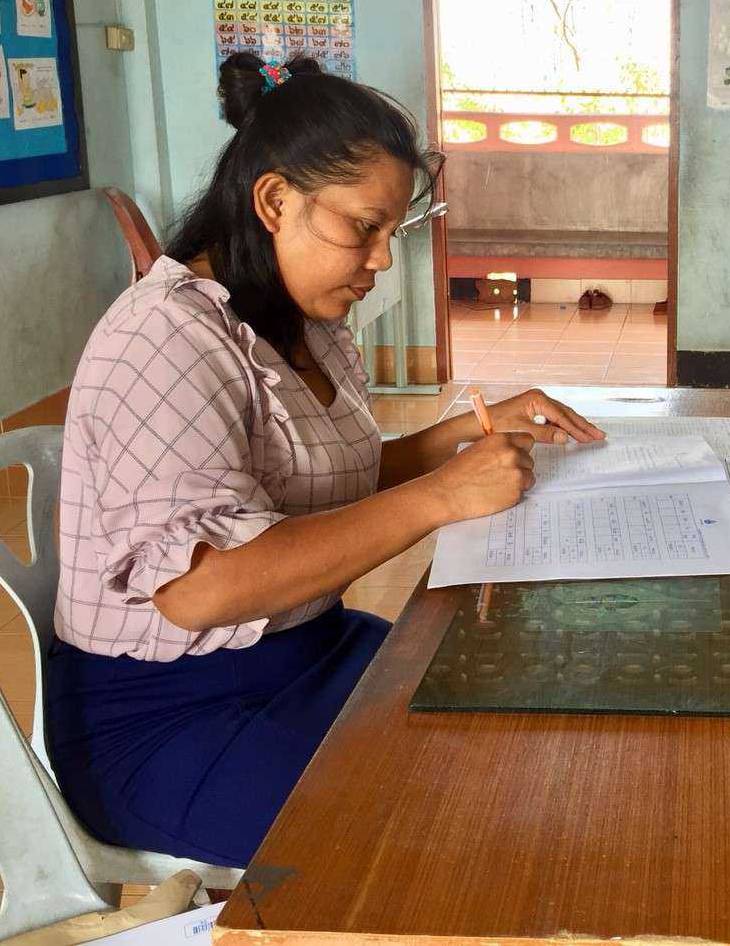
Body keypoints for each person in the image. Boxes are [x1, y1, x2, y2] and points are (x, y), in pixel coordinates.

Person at [46, 52, 605, 868]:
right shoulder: (163, 339)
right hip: (169, 717)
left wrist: (458, 438)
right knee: (462, 825)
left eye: (393, 232)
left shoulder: (300, 321)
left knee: (511, 719)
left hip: (311, 652)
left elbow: (322, 480)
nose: (382, 260)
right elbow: (202, 591)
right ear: (275, 201)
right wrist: (443, 497)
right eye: (363, 228)